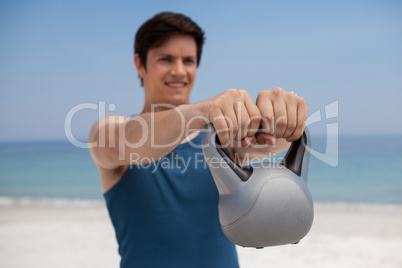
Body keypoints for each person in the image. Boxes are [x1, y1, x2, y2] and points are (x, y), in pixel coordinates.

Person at [89, 11, 307, 268]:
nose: (179, 71)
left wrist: (283, 118)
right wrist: (200, 111)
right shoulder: (109, 131)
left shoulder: (219, 140)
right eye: (165, 59)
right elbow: (126, 142)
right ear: (140, 64)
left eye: (189, 60)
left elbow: (272, 144)